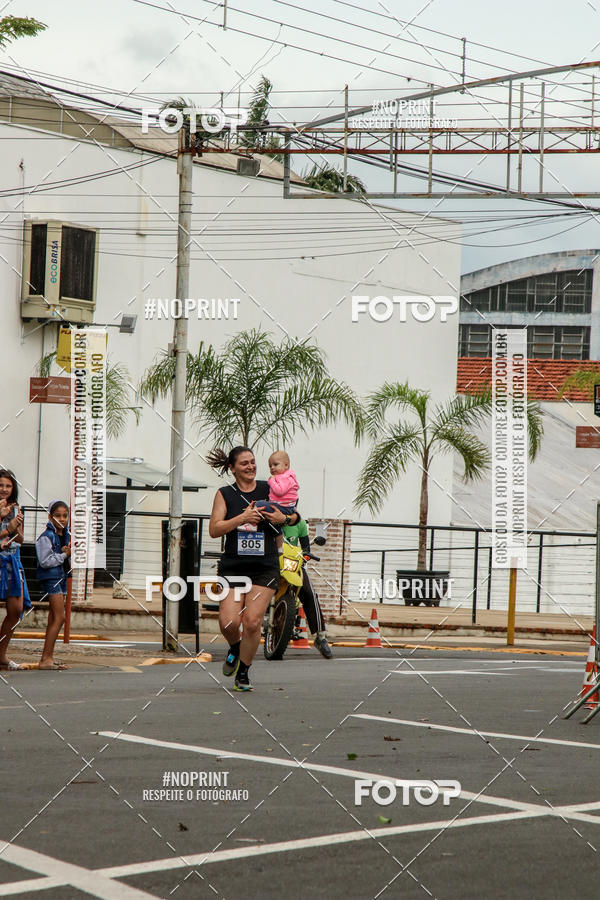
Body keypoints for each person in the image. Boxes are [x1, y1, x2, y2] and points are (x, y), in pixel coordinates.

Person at [207, 446, 301, 692]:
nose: (250, 466)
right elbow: (215, 529)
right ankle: (236, 649)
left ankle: (244, 673)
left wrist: (285, 519)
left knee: (251, 621)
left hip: (264, 566)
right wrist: (243, 518)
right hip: (233, 567)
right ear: (232, 468)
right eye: (244, 463)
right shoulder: (224, 494)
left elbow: (296, 515)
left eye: (252, 462)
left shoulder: (269, 487)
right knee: (228, 623)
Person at [281, 517, 333, 659]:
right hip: (270, 564)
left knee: (310, 594)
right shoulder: (267, 518)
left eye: (290, 502)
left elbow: (306, 550)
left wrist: (303, 559)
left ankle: (320, 637)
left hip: (290, 565)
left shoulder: (300, 523)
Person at [0, 469, 31, 671]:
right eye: (1, 485)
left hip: (13, 559)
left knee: (16, 609)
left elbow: (20, 538)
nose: (4, 489)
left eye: (8, 486)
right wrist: (7, 527)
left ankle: (1, 654)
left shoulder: (16, 508)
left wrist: (15, 529)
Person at [35, 500, 71, 671]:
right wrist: (64, 556)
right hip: (51, 578)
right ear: (50, 517)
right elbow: (44, 561)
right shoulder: (46, 536)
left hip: (61, 576)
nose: (62, 519)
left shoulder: (64, 535)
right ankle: (45, 659)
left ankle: (47, 657)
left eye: (65, 516)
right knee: (60, 617)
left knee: (53, 618)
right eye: (57, 516)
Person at [255, 451, 299, 553]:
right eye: (270, 466)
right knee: (275, 526)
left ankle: (251, 524)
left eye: (275, 464)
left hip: (283, 507)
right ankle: (280, 548)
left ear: (286, 465)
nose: (272, 468)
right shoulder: (286, 477)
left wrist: (271, 481)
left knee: (259, 504)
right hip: (286, 507)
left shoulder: (284, 478)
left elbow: (279, 491)